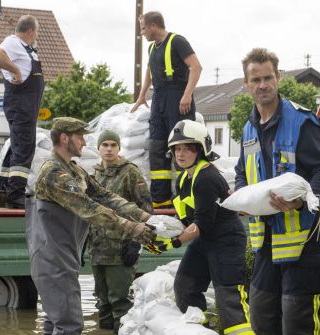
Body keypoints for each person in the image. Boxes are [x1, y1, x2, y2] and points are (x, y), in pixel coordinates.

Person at [234, 48, 320, 334]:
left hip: (302, 241)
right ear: (246, 84)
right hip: (264, 243)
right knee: (262, 318)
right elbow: (243, 172)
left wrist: (303, 200)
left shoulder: (303, 122)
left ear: (278, 78)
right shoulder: (248, 129)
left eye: (268, 77)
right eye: (256, 80)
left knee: (297, 322)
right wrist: (242, 197)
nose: (262, 84)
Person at [28, 117, 156, 335]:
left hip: (64, 257)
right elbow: (89, 207)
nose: (85, 143)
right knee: (70, 325)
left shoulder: (73, 170)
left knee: (55, 322)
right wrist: (132, 228)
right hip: (53, 259)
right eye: (80, 137)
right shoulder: (54, 174)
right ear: (64, 138)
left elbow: (103, 195)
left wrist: (142, 215)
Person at [145, 119, 253, 334]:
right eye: (176, 149)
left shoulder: (206, 177)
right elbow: (188, 219)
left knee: (228, 297)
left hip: (226, 242)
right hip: (205, 241)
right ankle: (204, 328)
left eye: (187, 148)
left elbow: (202, 223)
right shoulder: (185, 178)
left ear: (201, 149)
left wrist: (173, 242)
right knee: (184, 287)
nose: (180, 154)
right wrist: (161, 233)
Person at [132, 11, 202, 209]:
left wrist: (187, 94)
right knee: (157, 146)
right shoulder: (152, 48)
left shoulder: (177, 41)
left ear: (154, 25)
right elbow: (150, 72)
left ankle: (186, 196)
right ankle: (161, 199)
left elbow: (196, 67)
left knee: (182, 146)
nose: (142, 33)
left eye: (143, 28)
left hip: (177, 97)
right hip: (159, 98)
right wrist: (141, 96)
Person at [88, 130, 153, 333]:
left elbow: (146, 209)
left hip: (121, 249)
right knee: (102, 302)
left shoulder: (129, 172)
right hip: (98, 249)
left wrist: (137, 243)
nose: (108, 149)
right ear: (98, 148)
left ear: (119, 148)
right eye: (105, 145)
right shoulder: (94, 174)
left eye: (113, 145)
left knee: (120, 303)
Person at [0, 14, 44, 208]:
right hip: (21, 106)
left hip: (25, 107)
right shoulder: (13, 43)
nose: (37, 35)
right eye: (36, 31)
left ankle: (5, 185)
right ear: (30, 31)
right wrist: (16, 70)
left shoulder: (25, 49)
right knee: (23, 149)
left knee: (18, 145)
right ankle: (15, 195)